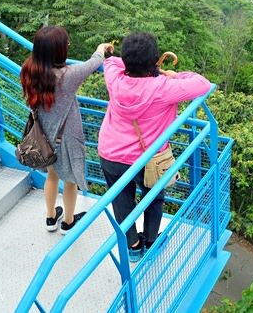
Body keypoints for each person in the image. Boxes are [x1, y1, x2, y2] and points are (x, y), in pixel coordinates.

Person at [98, 31, 211, 262]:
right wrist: (172, 74)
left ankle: (133, 246)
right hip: (148, 158)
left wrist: (119, 57)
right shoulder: (163, 87)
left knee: (121, 199)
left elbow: (110, 61)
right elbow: (203, 84)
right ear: (154, 60)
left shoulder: (114, 79)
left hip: (111, 153)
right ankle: (151, 241)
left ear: (127, 61)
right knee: (154, 197)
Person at [20, 26, 114, 234]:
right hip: (67, 137)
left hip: (44, 136)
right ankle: (68, 222)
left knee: (52, 176)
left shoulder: (29, 69)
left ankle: (51, 217)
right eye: (66, 45)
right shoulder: (66, 76)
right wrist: (101, 48)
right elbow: (93, 63)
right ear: (59, 50)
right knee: (70, 180)